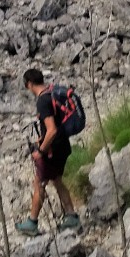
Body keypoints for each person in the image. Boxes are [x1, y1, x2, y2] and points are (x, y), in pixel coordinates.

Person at [18, 68, 80, 235]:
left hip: (53, 150)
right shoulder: (52, 92)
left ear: (29, 84)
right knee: (58, 181)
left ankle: (32, 223)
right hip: (63, 146)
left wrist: (40, 150)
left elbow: (51, 130)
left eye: (26, 85)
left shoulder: (42, 101)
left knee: (39, 183)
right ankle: (72, 217)